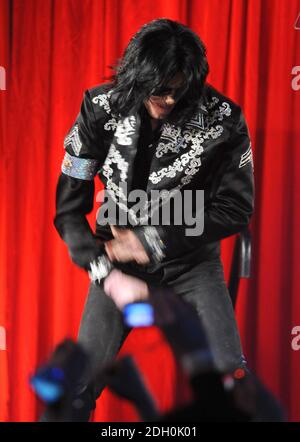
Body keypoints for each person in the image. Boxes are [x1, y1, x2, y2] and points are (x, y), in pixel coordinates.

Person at [49, 18, 254, 421]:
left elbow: (236, 208)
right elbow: (69, 213)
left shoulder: (225, 119)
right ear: (137, 78)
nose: (172, 101)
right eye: (162, 91)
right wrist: (106, 274)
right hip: (117, 264)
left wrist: (150, 240)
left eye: (182, 91)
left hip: (192, 261)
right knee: (78, 386)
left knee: (230, 380)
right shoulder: (99, 108)